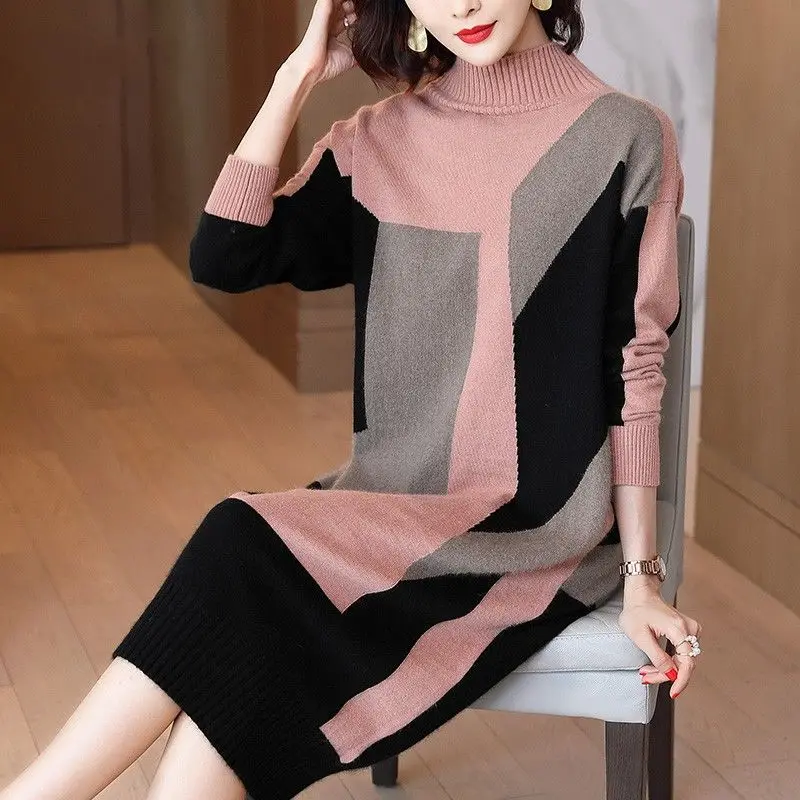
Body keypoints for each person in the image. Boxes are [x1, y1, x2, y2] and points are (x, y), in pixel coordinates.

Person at [0, 1, 704, 798]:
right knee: (232, 661)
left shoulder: (624, 135)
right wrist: (295, 77)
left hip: (536, 528)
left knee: (238, 544)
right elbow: (226, 255)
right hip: (394, 503)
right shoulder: (379, 140)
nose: (461, 4)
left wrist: (641, 577)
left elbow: (632, 371)